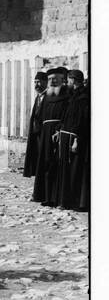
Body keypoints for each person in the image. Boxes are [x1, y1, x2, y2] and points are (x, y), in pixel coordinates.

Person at [31, 67, 72, 207]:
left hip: (59, 134)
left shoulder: (68, 96)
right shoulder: (46, 96)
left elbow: (68, 115)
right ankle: (46, 196)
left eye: (55, 79)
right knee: (46, 164)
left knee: (58, 166)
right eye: (50, 79)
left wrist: (60, 130)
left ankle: (57, 198)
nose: (52, 82)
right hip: (45, 134)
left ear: (62, 80)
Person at [55, 69, 89, 212]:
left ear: (73, 80)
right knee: (65, 170)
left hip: (74, 139)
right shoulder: (72, 96)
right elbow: (66, 116)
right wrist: (58, 129)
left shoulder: (84, 98)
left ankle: (73, 202)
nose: (67, 82)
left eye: (69, 80)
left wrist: (77, 140)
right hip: (65, 137)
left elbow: (82, 121)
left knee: (74, 171)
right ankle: (64, 201)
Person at [22, 71, 49, 178]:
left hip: (44, 134)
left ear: (46, 82)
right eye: (35, 82)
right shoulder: (38, 97)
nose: (36, 85)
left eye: (39, 82)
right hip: (36, 134)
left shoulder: (48, 97)